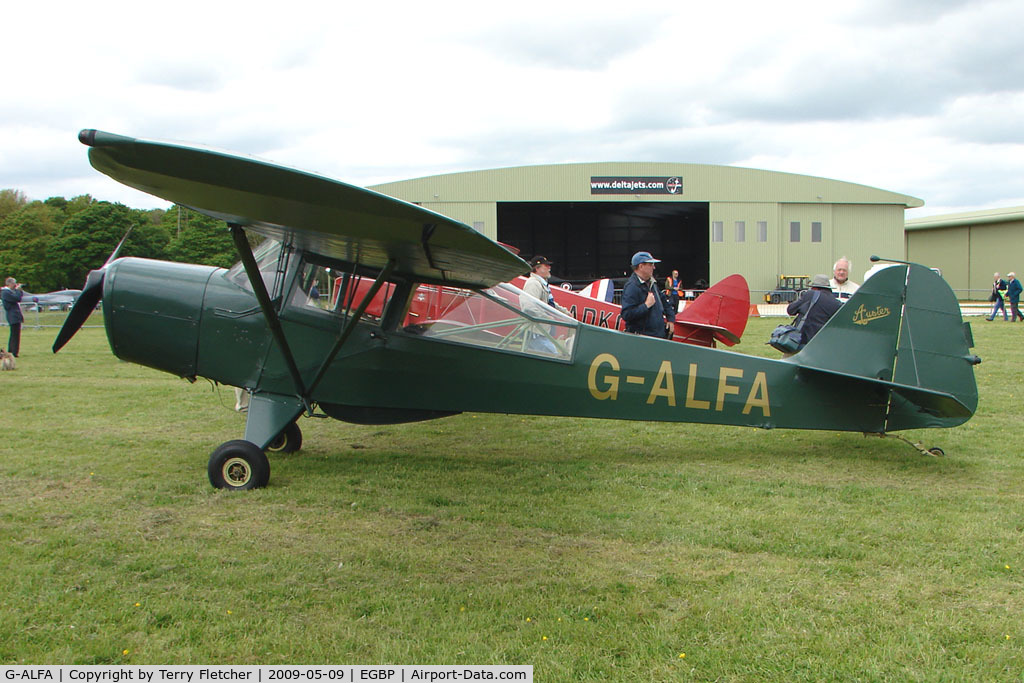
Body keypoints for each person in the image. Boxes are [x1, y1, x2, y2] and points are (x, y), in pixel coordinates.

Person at [621, 251, 675, 338]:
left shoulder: (652, 283)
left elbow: (664, 302)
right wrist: (646, 305)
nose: (654, 267)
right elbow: (627, 314)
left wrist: (671, 319)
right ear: (641, 266)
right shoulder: (632, 287)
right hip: (643, 340)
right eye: (650, 264)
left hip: (657, 336)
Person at [786, 274, 842, 348]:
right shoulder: (836, 303)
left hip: (801, 341)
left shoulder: (810, 294)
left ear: (814, 287)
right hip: (822, 344)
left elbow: (790, 310)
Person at [2, 277, 24, 358]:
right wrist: (18, 290)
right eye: (14, 283)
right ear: (9, 284)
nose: (15, 285)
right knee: (14, 335)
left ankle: (12, 350)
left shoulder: (10, 292)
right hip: (12, 315)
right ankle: (13, 351)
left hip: (15, 315)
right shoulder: (5, 292)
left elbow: (19, 297)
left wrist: (19, 291)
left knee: (15, 334)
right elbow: (17, 298)